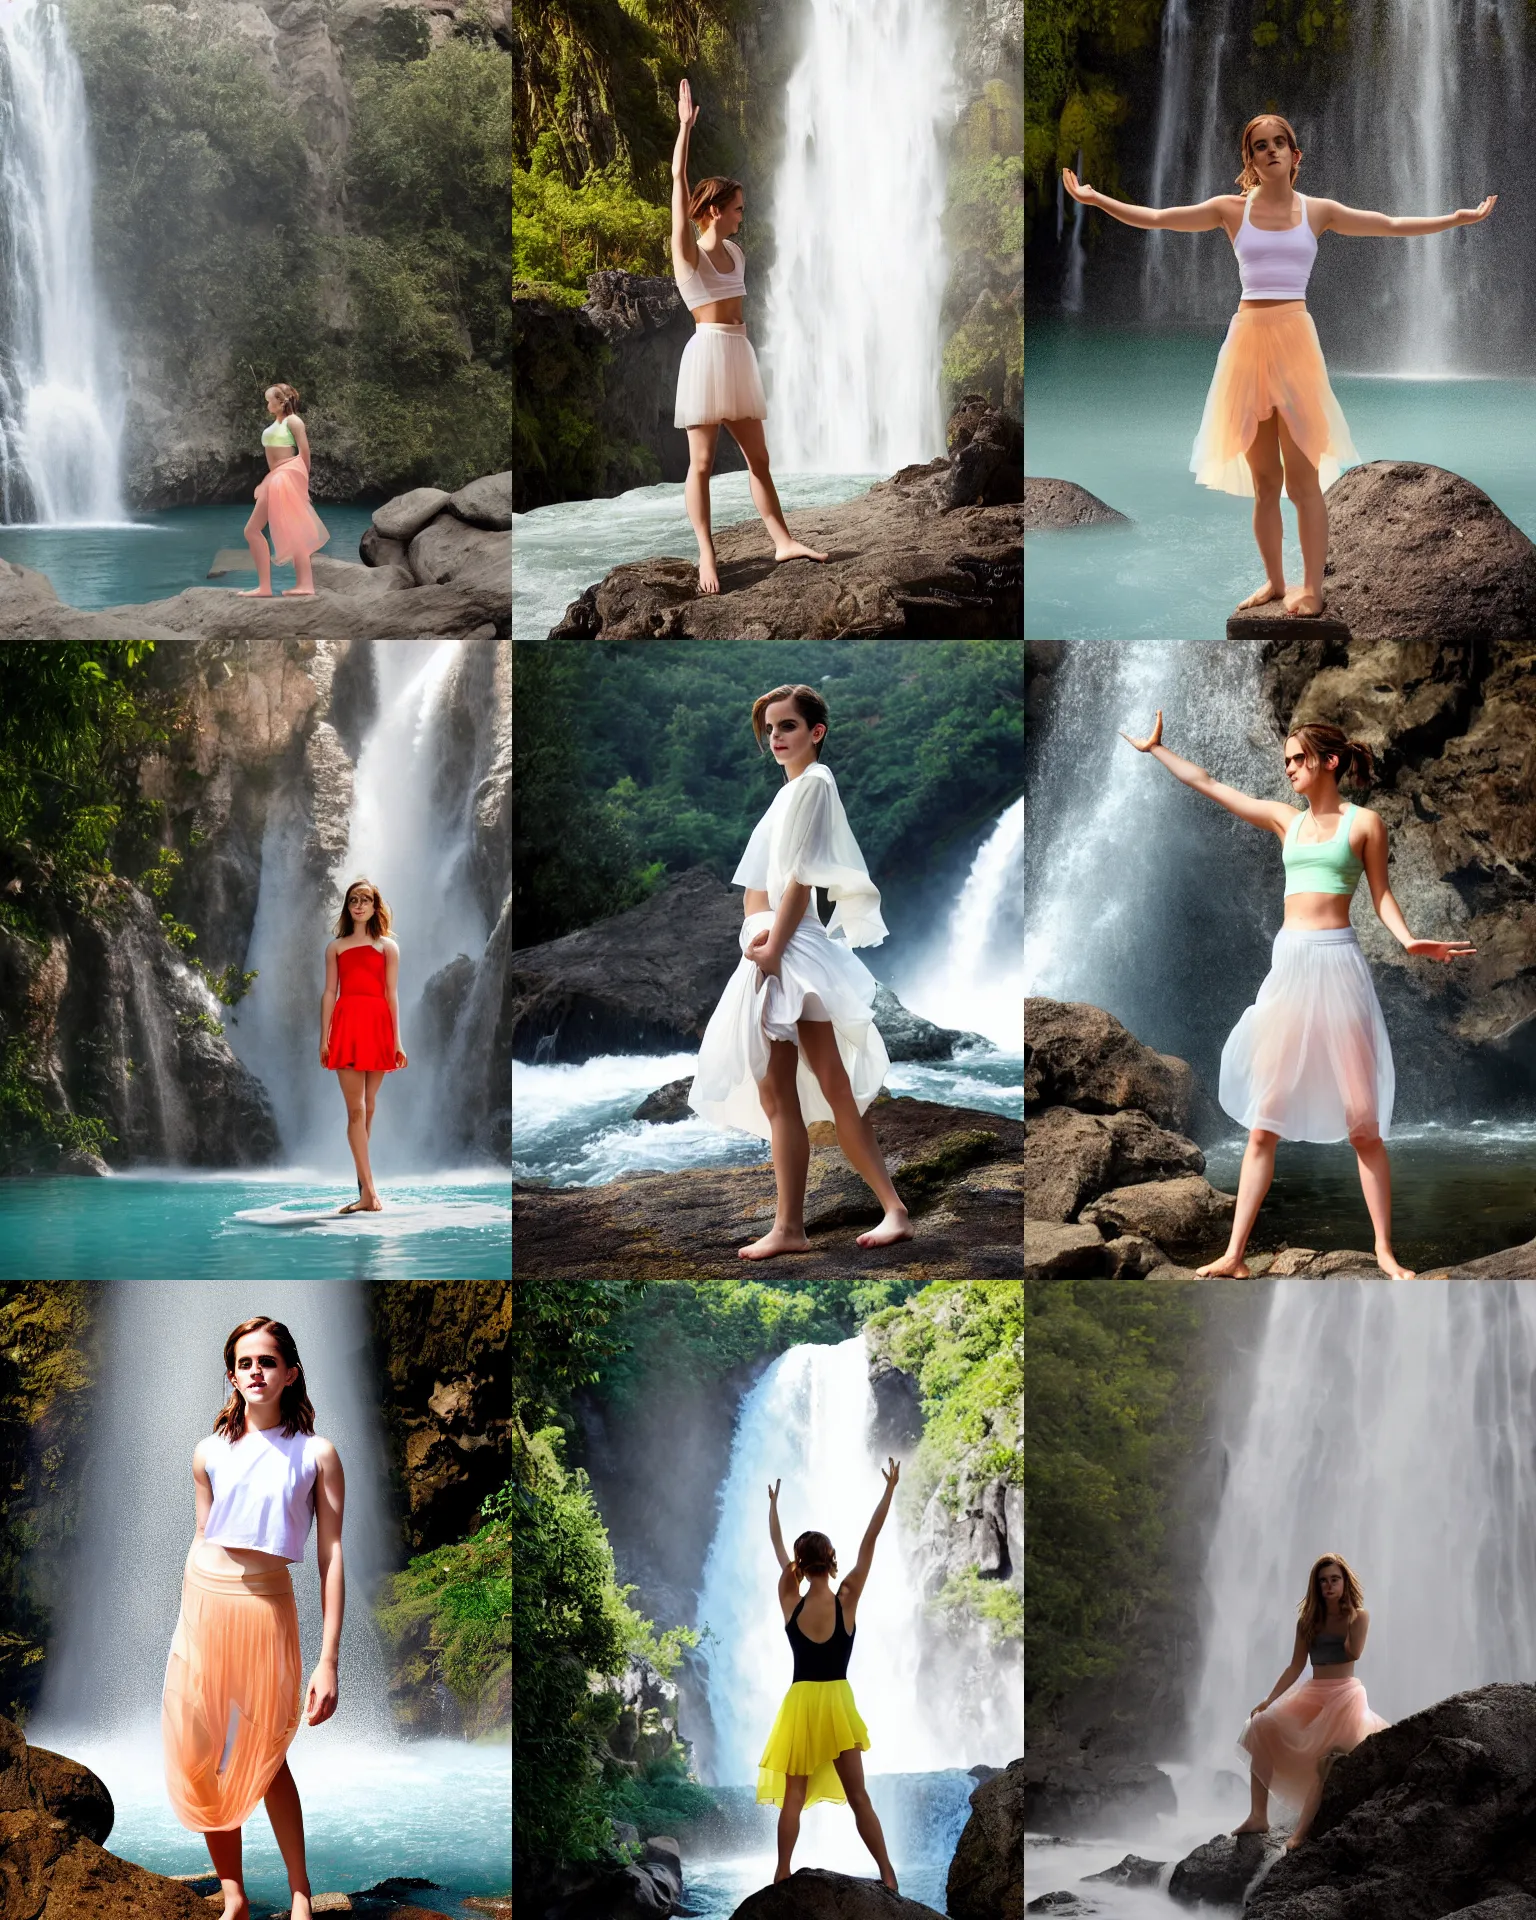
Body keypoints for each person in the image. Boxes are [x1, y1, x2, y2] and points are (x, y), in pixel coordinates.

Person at [1063, 114, 1495, 616]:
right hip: (1246, 343)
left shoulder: (1318, 212)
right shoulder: (1229, 210)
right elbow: (1158, 218)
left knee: (1303, 480)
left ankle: (1312, 588)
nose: (1271, 151)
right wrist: (1096, 200)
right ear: (1250, 160)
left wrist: (1456, 219)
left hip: (1295, 342)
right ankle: (1274, 582)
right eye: (1260, 146)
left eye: (1280, 144)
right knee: (1266, 482)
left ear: (1296, 155)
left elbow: (1389, 225)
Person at [1120, 713, 1475, 1277]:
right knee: (1265, 1122)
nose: (1287, 769)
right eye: (1284, 761)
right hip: (1289, 966)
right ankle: (1235, 1254)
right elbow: (1211, 784)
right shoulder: (1286, 821)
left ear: (1328, 762)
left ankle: (1384, 1251)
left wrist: (1410, 941)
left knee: (1363, 1125)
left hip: (1339, 966)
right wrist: (1157, 750)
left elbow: (1380, 895)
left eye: (1297, 759)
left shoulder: (1365, 824)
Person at [689, 684, 911, 1258]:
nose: (776, 737)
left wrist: (772, 948)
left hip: (788, 951)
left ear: (816, 732)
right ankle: (842, 1217)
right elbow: (762, 885)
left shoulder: (814, 782)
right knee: (789, 1091)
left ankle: (808, 1225)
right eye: (769, 729)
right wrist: (759, 939)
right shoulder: (789, 793)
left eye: (787, 726)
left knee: (799, 1090)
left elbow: (802, 880)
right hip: (777, 947)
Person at [162, 1316, 346, 1920]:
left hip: (267, 1607)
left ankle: (300, 1894)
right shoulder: (208, 1452)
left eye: (267, 1361)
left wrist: (328, 1659)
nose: (256, 1372)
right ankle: (233, 1895)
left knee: (266, 1754)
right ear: (232, 1375)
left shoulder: (316, 1454)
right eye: (245, 1363)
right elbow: (202, 1534)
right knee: (203, 1750)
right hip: (203, 1601)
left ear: (291, 1372)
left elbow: (331, 1554)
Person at [671, 78, 827, 595]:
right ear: (715, 209)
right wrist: (684, 130)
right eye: (737, 207)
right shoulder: (688, 254)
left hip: (737, 352)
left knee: (758, 458)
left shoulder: (737, 254)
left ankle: (782, 541)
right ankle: (706, 556)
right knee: (702, 462)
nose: (743, 214)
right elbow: (678, 179)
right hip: (707, 354)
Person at [759, 1463, 901, 1889]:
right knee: (859, 1797)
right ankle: (889, 1876)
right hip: (837, 1702)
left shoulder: (790, 1598)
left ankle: (782, 1872)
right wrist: (889, 1491)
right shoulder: (848, 1598)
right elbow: (869, 1542)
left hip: (801, 1702)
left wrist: (773, 1508)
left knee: (793, 1799)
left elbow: (776, 1546)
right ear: (832, 1560)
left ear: (801, 1565)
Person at [1236, 1553, 1388, 1850]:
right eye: (1323, 1581)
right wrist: (1269, 1699)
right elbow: (1295, 1666)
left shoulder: (1359, 1616)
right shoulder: (1307, 1621)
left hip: (1345, 1696)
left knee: (1327, 1761)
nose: (1329, 1586)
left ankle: (1299, 1835)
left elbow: (1354, 1653)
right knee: (1261, 1726)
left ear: (1345, 1582)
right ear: (1316, 1586)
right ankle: (1258, 1817)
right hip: (1313, 1693)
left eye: (1335, 1580)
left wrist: (1349, 1618)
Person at [319, 878, 407, 1213]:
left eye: (365, 899)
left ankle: (364, 1191)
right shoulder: (336, 947)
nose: (359, 904)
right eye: (353, 900)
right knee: (355, 1110)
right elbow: (329, 993)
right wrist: (323, 1037)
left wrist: (398, 1041)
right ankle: (369, 1193)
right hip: (347, 1026)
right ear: (348, 906)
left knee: (370, 1106)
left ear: (374, 906)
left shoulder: (388, 947)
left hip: (378, 1026)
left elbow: (392, 994)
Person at [238, 383, 330, 598]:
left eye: (270, 400)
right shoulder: (276, 423)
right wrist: (266, 481)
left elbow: (304, 454)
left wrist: (302, 485)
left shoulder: (293, 421)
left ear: (281, 402)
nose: (267, 404)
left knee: (263, 530)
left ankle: (303, 585)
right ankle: (267, 587)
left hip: (286, 476)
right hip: (276, 477)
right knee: (254, 531)